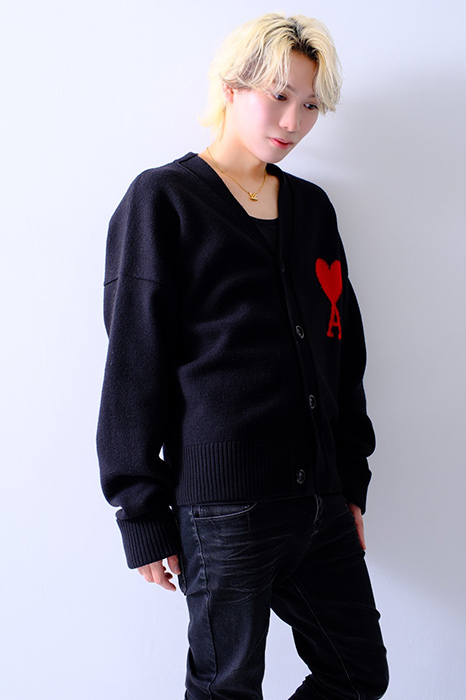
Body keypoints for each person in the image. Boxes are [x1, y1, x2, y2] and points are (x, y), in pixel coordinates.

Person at [97, 12, 389, 700]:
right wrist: (141, 513)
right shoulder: (163, 200)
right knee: (226, 690)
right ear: (232, 87)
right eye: (279, 96)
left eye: (310, 105)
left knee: (358, 674)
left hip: (320, 502)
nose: (293, 121)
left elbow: (342, 353)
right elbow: (134, 366)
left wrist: (348, 482)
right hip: (224, 507)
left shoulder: (312, 209)